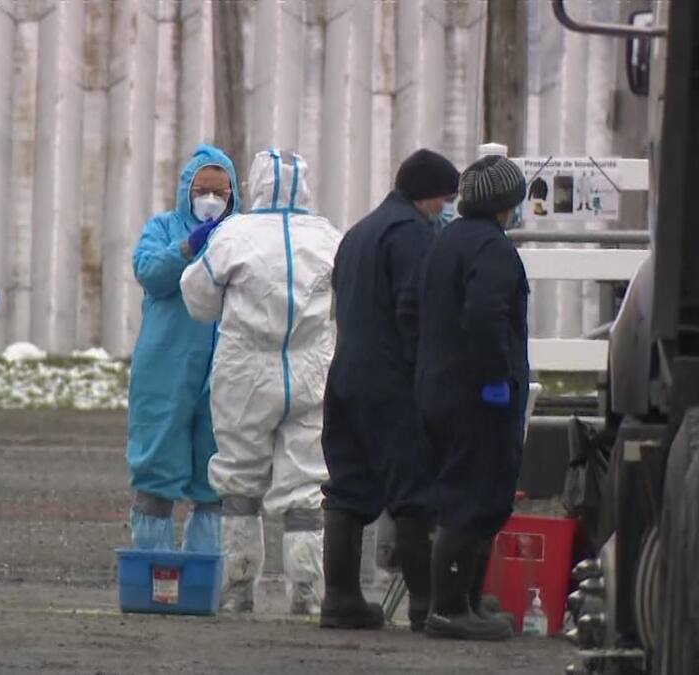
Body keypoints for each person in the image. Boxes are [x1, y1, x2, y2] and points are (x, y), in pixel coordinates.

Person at [180, 149, 341, 615]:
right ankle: (307, 591)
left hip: (245, 374)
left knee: (239, 482)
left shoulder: (234, 234)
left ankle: (238, 588)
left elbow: (198, 299)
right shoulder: (328, 236)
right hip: (310, 372)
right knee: (306, 484)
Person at [319, 149, 459, 631]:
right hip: (390, 381)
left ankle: (339, 598)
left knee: (347, 487)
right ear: (427, 195)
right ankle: (427, 604)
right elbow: (412, 310)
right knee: (413, 490)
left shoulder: (358, 233)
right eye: (444, 200)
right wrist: (430, 375)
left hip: (344, 376)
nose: (445, 210)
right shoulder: (413, 235)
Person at [403, 155, 529, 641]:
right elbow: (485, 316)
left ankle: (468, 602)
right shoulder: (492, 250)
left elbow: (412, 308)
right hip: (477, 396)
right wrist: (496, 376)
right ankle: (452, 607)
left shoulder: (444, 242)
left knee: (464, 491)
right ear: (504, 204)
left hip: (438, 389)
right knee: (474, 495)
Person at [126, 144, 241, 555]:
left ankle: (205, 575)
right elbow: (149, 273)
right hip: (165, 369)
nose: (210, 200)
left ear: (234, 196)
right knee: (156, 467)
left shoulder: (240, 236)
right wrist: (188, 248)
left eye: (220, 192)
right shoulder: (162, 228)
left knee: (214, 477)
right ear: (186, 190)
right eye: (202, 190)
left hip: (224, 370)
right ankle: (153, 570)